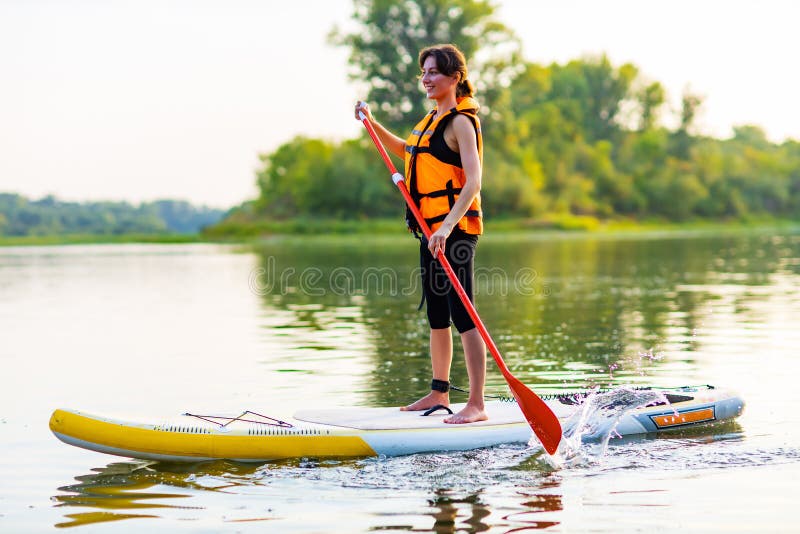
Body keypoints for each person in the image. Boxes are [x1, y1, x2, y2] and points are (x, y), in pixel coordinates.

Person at [355, 43, 487, 424]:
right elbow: (404, 151)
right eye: (423, 73)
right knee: (437, 315)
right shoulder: (429, 120)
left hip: (455, 230)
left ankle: (476, 404)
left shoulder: (461, 122)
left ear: (455, 78)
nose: (426, 79)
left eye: (433, 72)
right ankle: (439, 393)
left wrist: (446, 227)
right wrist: (371, 122)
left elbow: (474, 182)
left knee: (465, 315)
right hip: (429, 232)